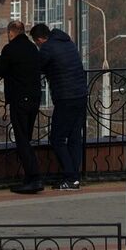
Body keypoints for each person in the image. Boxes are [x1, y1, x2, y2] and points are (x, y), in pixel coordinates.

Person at [0, 19, 44, 193]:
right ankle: (30, 178)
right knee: (27, 137)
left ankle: (34, 178)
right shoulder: (32, 48)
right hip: (35, 98)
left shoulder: (11, 49)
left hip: (20, 99)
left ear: (11, 33)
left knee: (22, 140)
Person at [32, 22, 87, 190]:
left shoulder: (48, 48)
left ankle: (70, 177)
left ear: (40, 39)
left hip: (65, 97)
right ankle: (74, 178)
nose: (38, 46)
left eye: (36, 43)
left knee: (57, 138)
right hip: (81, 95)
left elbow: (36, 67)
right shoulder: (68, 42)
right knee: (75, 137)